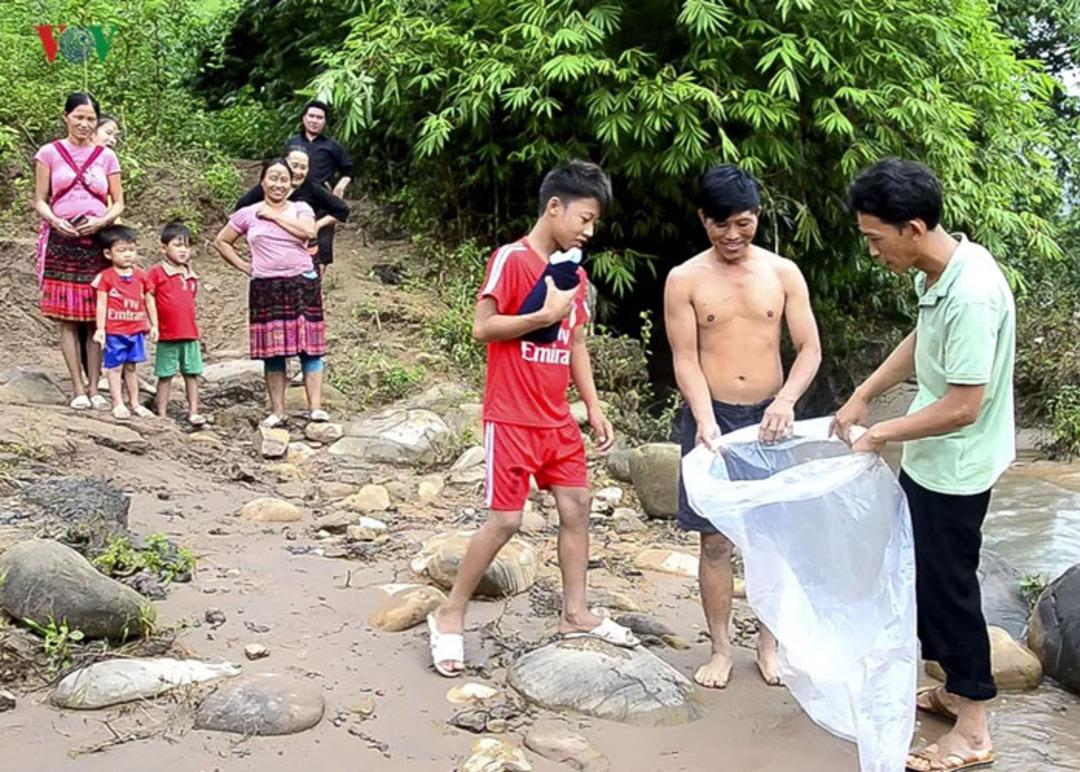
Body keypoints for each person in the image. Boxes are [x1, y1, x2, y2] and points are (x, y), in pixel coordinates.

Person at [833, 158, 1013, 772]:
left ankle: (974, 728)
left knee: (948, 591)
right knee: (923, 579)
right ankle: (957, 688)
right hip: (934, 458)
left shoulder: (972, 292)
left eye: (875, 239)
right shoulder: (939, 272)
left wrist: (880, 430)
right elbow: (920, 339)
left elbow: (964, 406)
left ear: (912, 228)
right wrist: (864, 393)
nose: (874, 251)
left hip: (957, 465)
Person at [427, 160, 638, 677]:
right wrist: (541, 317)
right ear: (554, 207)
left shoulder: (576, 272)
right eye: (584, 219)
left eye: (594, 223)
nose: (589, 232)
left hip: (556, 419)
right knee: (504, 520)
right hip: (511, 417)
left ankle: (576, 613)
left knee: (578, 506)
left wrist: (592, 405)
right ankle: (449, 614)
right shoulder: (512, 260)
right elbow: (483, 327)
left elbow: (577, 343)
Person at [663, 164, 821, 689]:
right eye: (721, 225)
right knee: (714, 541)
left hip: (771, 419)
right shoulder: (684, 279)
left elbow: (809, 349)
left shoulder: (783, 273)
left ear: (757, 218)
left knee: (773, 538)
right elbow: (685, 358)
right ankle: (721, 648)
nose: (733, 236)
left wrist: (787, 400)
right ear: (703, 219)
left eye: (744, 224)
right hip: (713, 417)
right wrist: (704, 418)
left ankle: (769, 644)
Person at [213, 158, 327, 427]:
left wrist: (275, 216)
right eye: (273, 178)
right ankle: (278, 411)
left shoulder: (301, 208)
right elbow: (221, 241)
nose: (278, 184)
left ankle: (316, 408)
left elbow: (309, 232)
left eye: (283, 179)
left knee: (309, 348)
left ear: (291, 184)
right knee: (273, 351)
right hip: (265, 287)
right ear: (262, 181)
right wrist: (244, 266)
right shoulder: (247, 213)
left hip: (302, 283)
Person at [34, 92, 124, 409]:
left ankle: (95, 387)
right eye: (79, 117)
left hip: (96, 241)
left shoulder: (106, 157)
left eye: (90, 119)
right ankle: (76, 388)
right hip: (63, 239)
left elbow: (119, 202)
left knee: (93, 317)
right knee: (68, 318)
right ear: (66, 117)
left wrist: (101, 220)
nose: (84, 124)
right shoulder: (49, 153)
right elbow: (40, 200)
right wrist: (56, 221)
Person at [234, 145, 349, 274]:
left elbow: (342, 209)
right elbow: (241, 208)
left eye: (303, 167)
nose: (298, 171)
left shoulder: (312, 188)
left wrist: (317, 225)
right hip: (274, 248)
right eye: (294, 165)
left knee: (309, 281)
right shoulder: (269, 187)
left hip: (307, 243)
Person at [91, 225, 158, 419]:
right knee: (114, 367)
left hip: (136, 329)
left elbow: (149, 300)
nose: (127, 255)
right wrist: (100, 328)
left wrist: (154, 325)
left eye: (131, 250)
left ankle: (135, 403)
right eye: (121, 251)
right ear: (108, 253)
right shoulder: (106, 277)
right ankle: (118, 403)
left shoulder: (141, 276)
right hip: (115, 331)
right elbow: (101, 304)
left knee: (131, 367)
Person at [283, 100, 354, 271]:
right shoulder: (292, 143)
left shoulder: (332, 146)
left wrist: (341, 185)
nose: (315, 120)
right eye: (311, 116)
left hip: (322, 199)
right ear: (304, 118)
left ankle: (317, 287)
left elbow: (349, 169)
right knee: (292, 240)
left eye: (319, 117)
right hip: (295, 198)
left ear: (325, 122)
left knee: (322, 246)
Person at [149, 222, 205, 426]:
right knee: (165, 374)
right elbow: (149, 296)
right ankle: (162, 414)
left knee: (192, 373)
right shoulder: (157, 273)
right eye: (177, 245)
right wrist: (153, 324)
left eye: (186, 246)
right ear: (164, 248)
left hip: (190, 333)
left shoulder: (190, 274)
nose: (183, 250)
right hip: (167, 334)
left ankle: (193, 411)